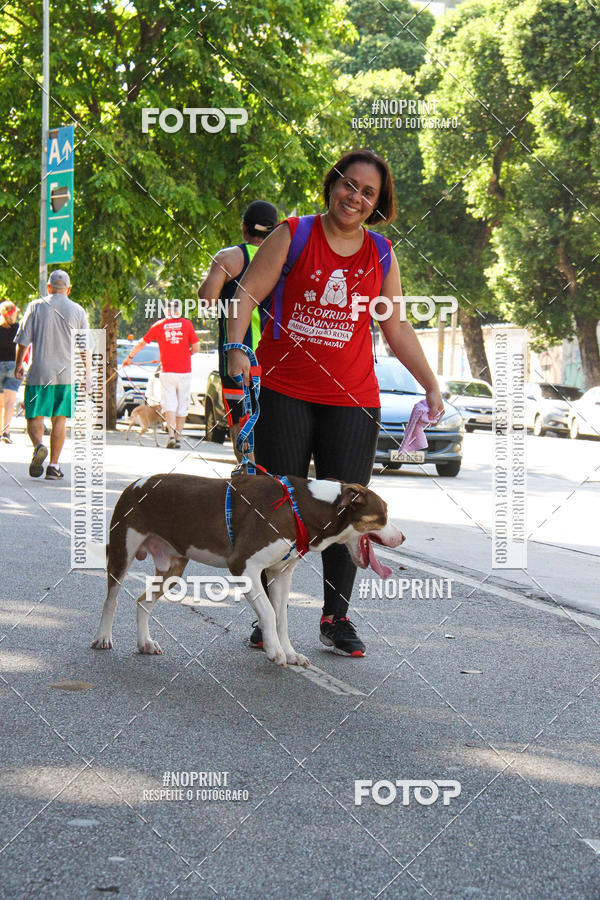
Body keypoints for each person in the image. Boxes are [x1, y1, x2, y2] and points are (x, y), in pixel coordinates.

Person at [227, 149, 444, 657]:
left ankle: (336, 616)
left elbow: (395, 325)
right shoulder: (293, 233)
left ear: (377, 203)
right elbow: (247, 294)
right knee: (281, 507)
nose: (356, 197)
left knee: (350, 508)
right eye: (350, 185)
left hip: (352, 399)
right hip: (283, 391)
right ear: (333, 184)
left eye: (368, 193)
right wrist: (236, 348)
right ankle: (270, 617)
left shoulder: (381, 254)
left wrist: (430, 384)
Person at [197, 200, 278, 459]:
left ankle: (248, 483)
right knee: (273, 427)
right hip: (277, 360)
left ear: (244, 228)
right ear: (275, 230)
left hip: (237, 357)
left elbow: (207, 298)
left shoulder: (229, 257)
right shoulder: (285, 259)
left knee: (241, 425)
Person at [14, 269, 88, 480]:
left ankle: (39, 446)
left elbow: (23, 341)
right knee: (60, 420)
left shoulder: (35, 306)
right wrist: (88, 375)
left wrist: (19, 364)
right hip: (66, 374)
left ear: (49, 287)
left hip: (39, 371)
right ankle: (54, 466)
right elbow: (84, 347)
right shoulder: (78, 310)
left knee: (33, 414)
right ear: (69, 289)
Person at [124, 299, 199, 448]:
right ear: (179, 311)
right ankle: (178, 438)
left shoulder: (159, 325)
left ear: (167, 311)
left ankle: (170, 437)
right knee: (182, 406)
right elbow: (196, 348)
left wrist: (130, 358)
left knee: (169, 405)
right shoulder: (187, 324)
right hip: (184, 372)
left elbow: (141, 343)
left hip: (167, 372)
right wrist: (184, 355)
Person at [0, 300, 22, 443]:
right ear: (12, 314)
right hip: (13, 365)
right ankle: (5, 432)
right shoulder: (17, 328)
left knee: (0, 403)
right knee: (10, 403)